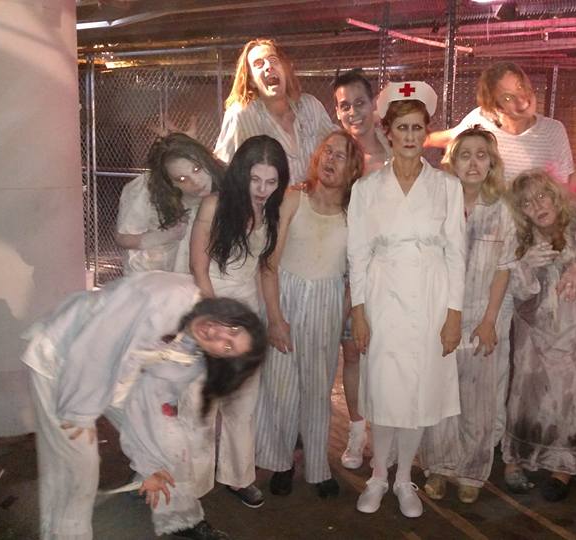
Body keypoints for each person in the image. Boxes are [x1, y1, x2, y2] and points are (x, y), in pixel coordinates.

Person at [21, 271, 266, 540]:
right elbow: (99, 342)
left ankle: (180, 519)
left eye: (228, 347)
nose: (219, 334)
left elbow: (148, 402)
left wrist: (151, 465)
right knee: (78, 468)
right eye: (233, 328)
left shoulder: (191, 359)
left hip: (113, 372)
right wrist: (81, 413)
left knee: (171, 442)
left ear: (221, 359)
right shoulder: (171, 294)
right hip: (62, 359)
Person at [347, 81, 466, 519]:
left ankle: (403, 479)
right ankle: (378, 474)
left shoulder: (446, 187)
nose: (411, 136)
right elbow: (357, 254)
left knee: (419, 391)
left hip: (432, 296)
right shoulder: (366, 189)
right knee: (385, 389)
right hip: (383, 296)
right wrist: (359, 312)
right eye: (402, 127)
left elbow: (457, 253)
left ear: (426, 132)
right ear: (388, 132)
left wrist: (453, 314)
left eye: (418, 127)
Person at [256, 130, 364, 498]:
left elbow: (355, 274)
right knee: (281, 387)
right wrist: (275, 319)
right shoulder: (292, 200)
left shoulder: (354, 214)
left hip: (326, 304)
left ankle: (318, 468)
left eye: (341, 156)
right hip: (286, 297)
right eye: (327, 151)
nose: (331, 159)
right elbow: (269, 264)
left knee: (317, 390)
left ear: (353, 170)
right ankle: (282, 462)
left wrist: (340, 316)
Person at [501, 169, 576, 502]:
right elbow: (517, 294)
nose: (537, 206)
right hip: (536, 329)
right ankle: (516, 457)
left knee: (572, 396)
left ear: (555, 196)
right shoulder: (520, 238)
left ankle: (563, 468)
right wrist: (525, 266)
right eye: (526, 203)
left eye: (542, 196)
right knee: (525, 394)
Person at [185, 134, 289, 509]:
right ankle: (193, 486)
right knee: (201, 404)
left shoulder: (271, 211)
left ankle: (238, 476)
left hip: (247, 315)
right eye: (255, 179)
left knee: (242, 403)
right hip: (210, 309)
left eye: (271, 181)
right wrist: (216, 321)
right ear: (241, 174)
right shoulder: (215, 204)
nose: (262, 190)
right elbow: (198, 267)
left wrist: (273, 319)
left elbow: (265, 270)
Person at [418, 127, 516, 504]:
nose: (473, 162)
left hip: (482, 317)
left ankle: (472, 471)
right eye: (465, 155)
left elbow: (504, 268)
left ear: (491, 163)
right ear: (452, 162)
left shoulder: (502, 209)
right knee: (440, 394)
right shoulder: (438, 207)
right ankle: (438, 467)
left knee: (478, 400)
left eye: (481, 155)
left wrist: (489, 321)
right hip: (440, 317)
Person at [330, 68, 390, 470]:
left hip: (390, 273)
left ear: (373, 105)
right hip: (345, 271)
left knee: (385, 356)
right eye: (344, 106)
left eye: (360, 102)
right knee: (351, 352)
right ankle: (356, 431)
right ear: (337, 113)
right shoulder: (337, 157)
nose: (354, 112)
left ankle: (385, 434)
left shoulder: (395, 154)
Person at [426, 61, 576, 190]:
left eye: (520, 87)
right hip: (491, 226)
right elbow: (447, 138)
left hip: (532, 227)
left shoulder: (553, 130)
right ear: (496, 106)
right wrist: (414, 137)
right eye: (507, 97)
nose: (521, 99)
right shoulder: (480, 121)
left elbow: (566, 187)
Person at [213, 38, 335, 185]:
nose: (268, 66)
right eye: (259, 64)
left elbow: (339, 147)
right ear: (251, 80)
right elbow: (222, 169)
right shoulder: (241, 114)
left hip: (314, 198)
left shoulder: (311, 106)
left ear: (284, 70)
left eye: (273, 60)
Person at [114, 133, 219, 274]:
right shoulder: (146, 190)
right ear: (168, 182)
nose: (196, 182)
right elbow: (122, 238)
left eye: (197, 169)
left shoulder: (229, 182)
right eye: (182, 179)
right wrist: (167, 235)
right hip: (153, 275)